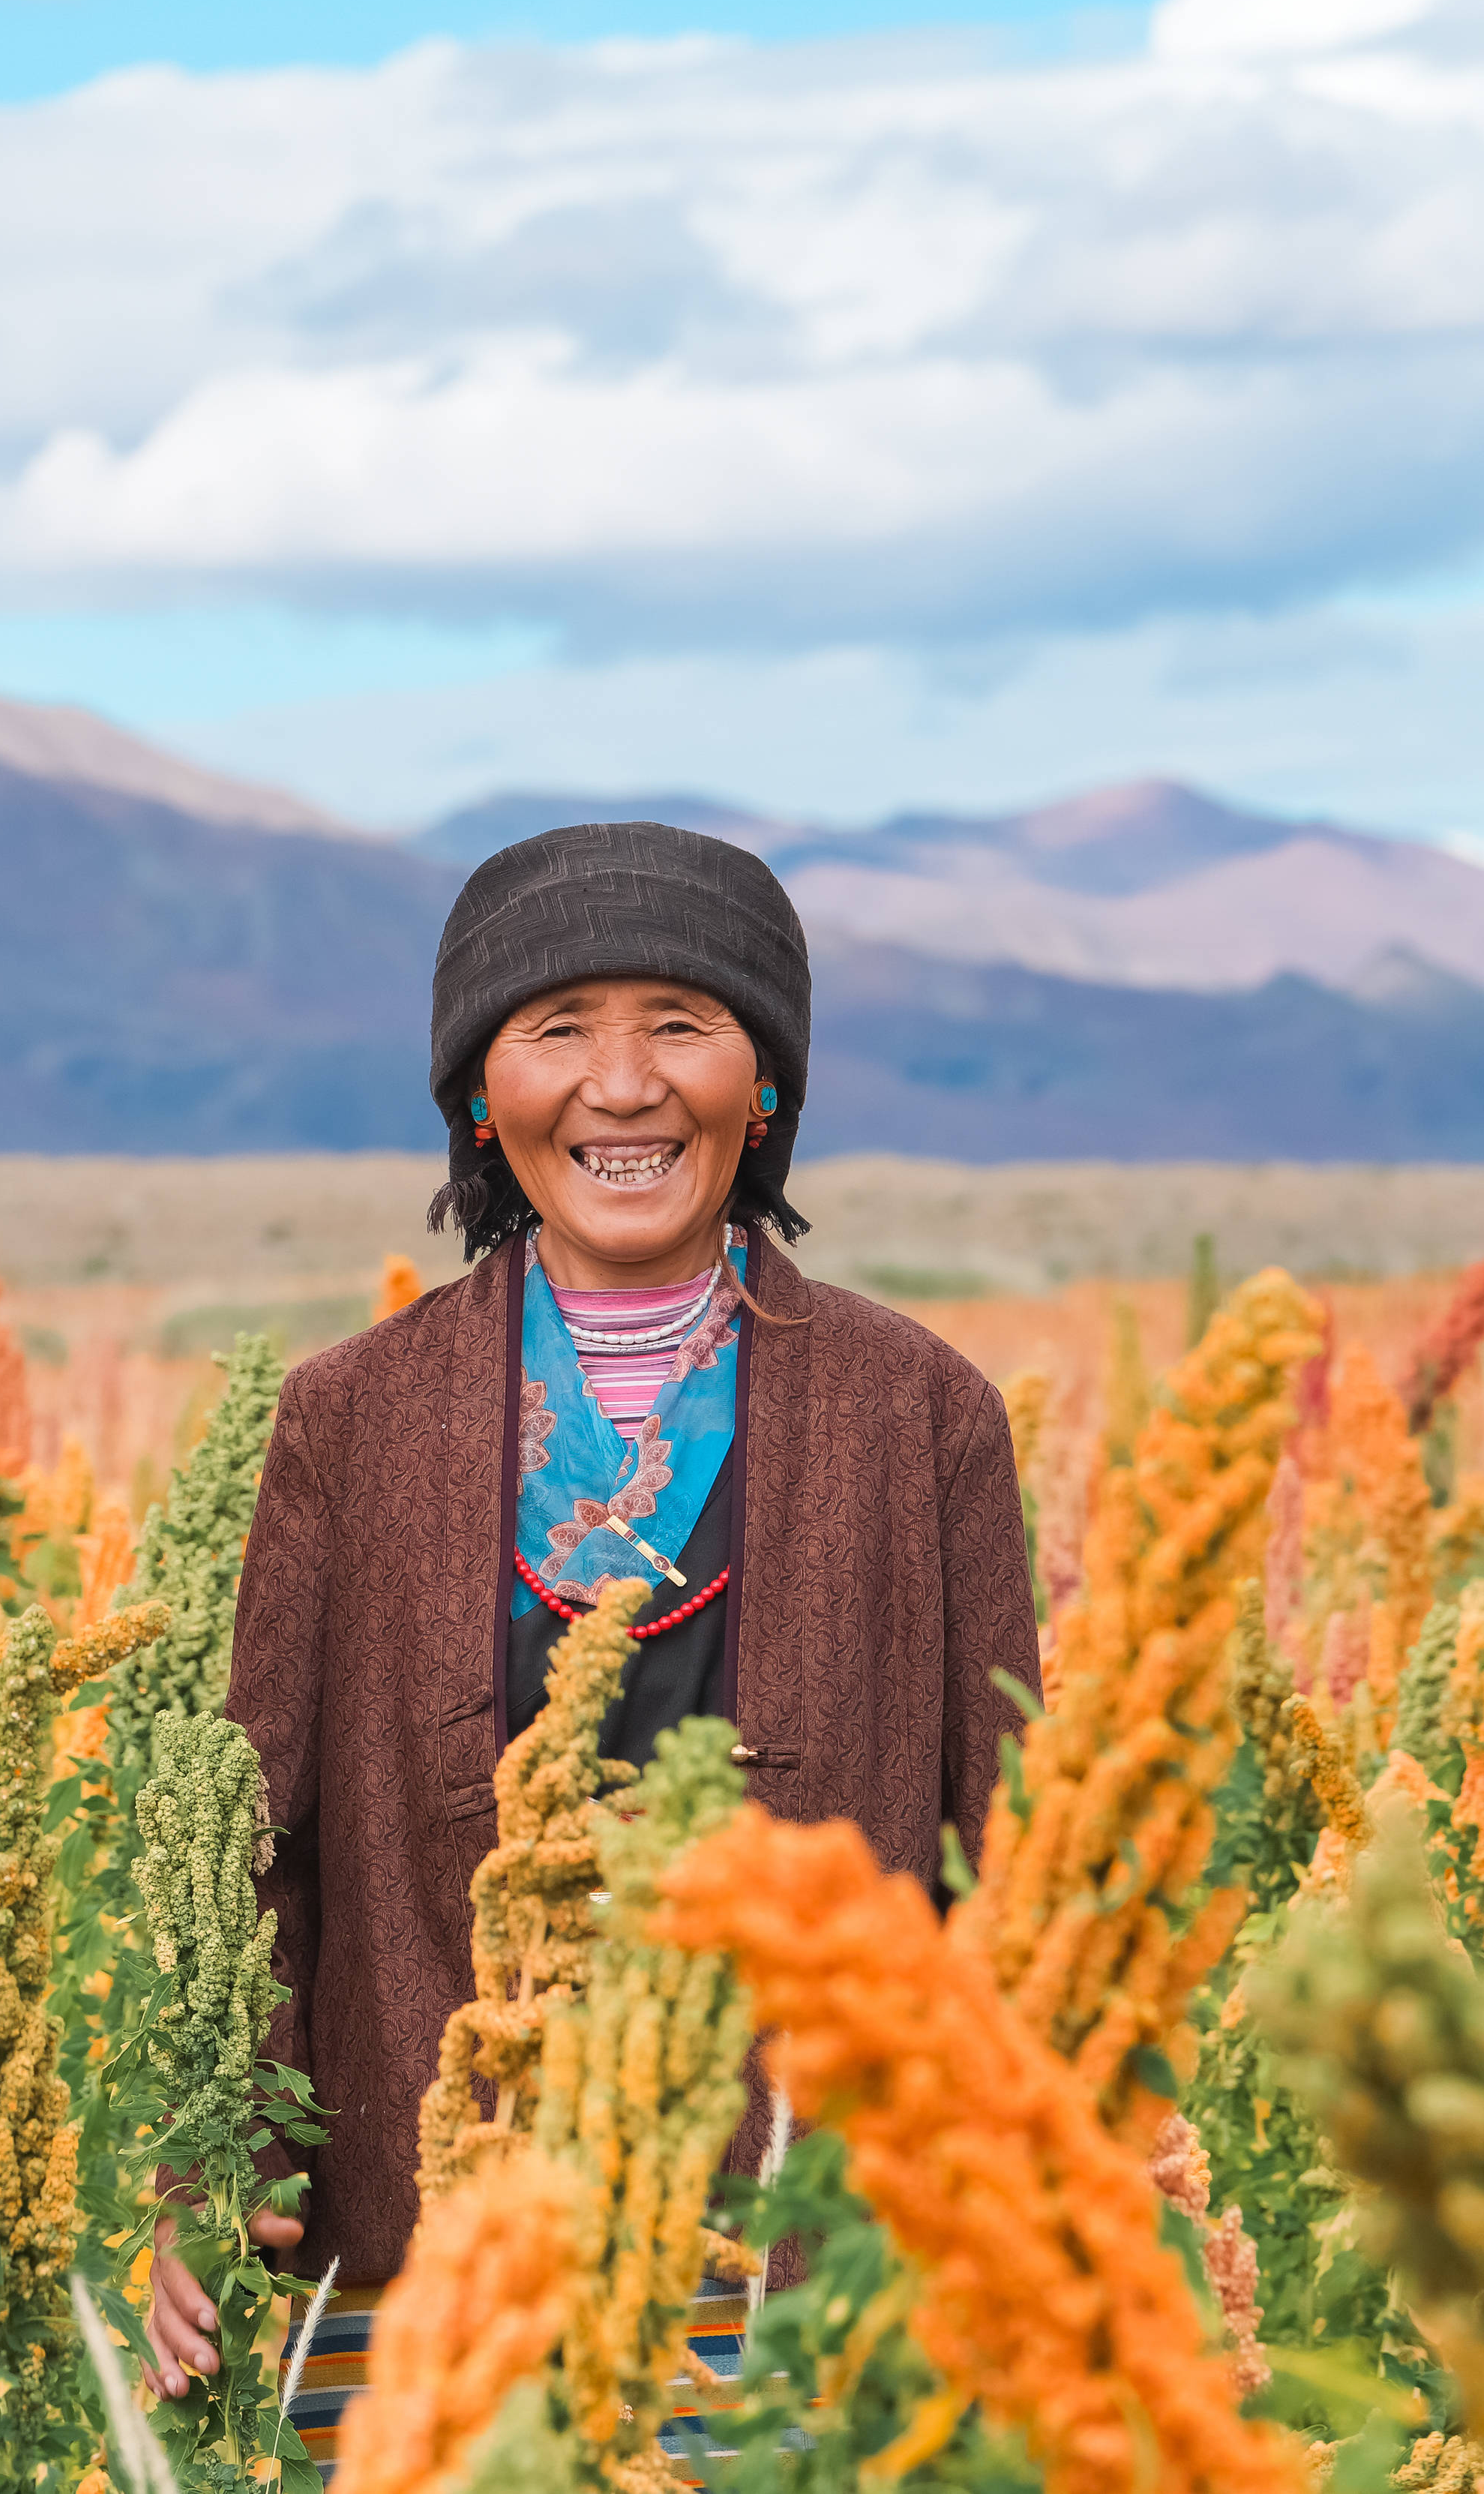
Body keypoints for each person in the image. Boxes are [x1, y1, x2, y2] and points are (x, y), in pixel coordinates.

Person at [142, 821, 1036, 2395]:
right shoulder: (352, 1416)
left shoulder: (920, 1412)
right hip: (436, 2270)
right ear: (479, 1100)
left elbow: (1011, 1863)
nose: (622, 1088)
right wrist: (208, 2179)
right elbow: (256, 1850)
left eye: (680, 1025)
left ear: (765, 1089)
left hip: (810, 2280)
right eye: (557, 1030)